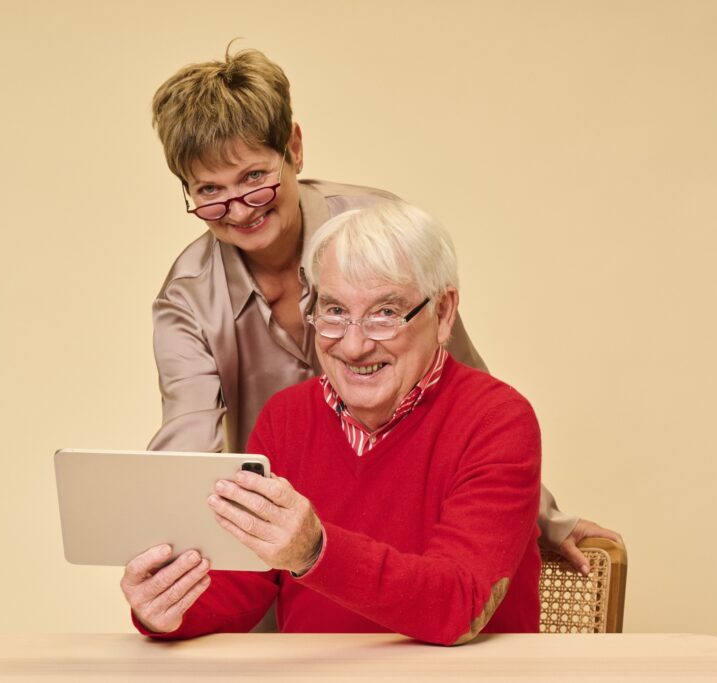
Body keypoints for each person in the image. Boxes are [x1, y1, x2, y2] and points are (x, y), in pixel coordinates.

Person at [145, 46, 620, 573]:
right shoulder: (186, 297)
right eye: (210, 191)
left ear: (294, 149)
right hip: (273, 554)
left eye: (254, 178)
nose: (237, 210)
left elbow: (467, 391)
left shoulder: (380, 228)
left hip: (411, 539)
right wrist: (164, 563)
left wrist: (545, 517)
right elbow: (186, 446)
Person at [122, 201, 542, 643]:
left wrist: (316, 551)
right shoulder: (286, 417)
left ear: (442, 314)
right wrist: (167, 607)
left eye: (385, 313)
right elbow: (243, 586)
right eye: (335, 311)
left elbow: (460, 605)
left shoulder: (498, 420)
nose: (355, 345)